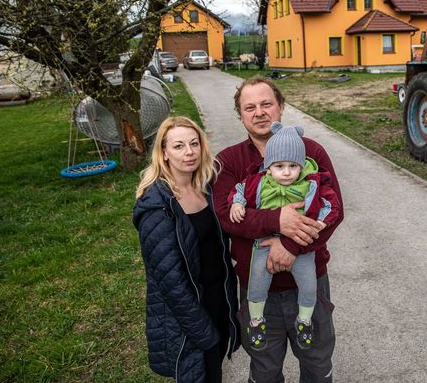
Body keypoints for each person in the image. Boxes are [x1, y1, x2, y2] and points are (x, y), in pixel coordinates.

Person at [212, 77, 344, 383]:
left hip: (309, 284)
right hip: (258, 289)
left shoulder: (313, 153)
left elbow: (333, 213)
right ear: (241, 114)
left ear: (281, 107)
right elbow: (226, 216)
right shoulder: (229, 162)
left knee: (317, 363)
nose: (259, 112)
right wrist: (278, 220)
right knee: (265, 370)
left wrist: (291, 246)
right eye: (250, 107)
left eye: (266, 103)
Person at [133, 116, 240, 383]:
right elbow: (170, 283)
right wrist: (202, 331)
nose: (189, 152)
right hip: (189, 313)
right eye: (178, 146)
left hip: (218, 299)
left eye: (194, 144)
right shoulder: (157, 205)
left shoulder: (206, 187)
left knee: (215, 373)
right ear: (164, 153)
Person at [228, 121, 341, 353]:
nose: (287, 172)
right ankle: (256, 321)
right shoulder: (258, 182)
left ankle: (305, 320)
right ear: (268, 167)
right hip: (265, 243)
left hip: (301, 244)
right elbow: (239, 190)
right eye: (279, 166)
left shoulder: (312, 183)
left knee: (309, 285)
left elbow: (332, 203)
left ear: (302, 166)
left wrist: (321, 221)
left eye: (293, 166)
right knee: (257, 281)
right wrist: (237, 204)